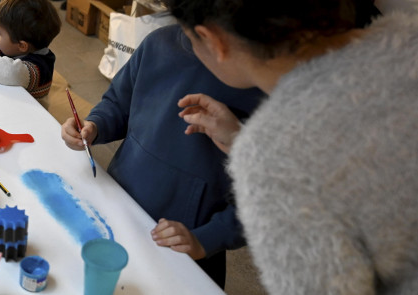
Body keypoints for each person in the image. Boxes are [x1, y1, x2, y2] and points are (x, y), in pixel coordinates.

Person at [140, 0, 418, 294]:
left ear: (214, 40)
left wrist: (254, 148)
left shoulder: (276, 156)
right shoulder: (415, 40)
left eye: (190, 38)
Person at [60, 24, 265, 286]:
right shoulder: (159, 42)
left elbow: (270, 194)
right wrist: (95, 125)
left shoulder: (258, 78)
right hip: (120, 207)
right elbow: (118, 103)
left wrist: (207, 238)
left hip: (186, 244)